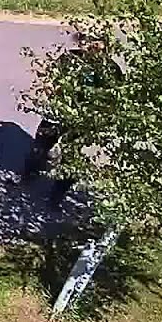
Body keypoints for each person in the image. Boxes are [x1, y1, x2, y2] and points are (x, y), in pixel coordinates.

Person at [22, 31, 124, 207]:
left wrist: (99, 117)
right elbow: (51, 80)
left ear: (105, 45)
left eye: (96, 42)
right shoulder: (69, 58)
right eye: (86, 41)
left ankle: (56, 197)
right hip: (60, 112)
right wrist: (50, 88)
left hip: (84, 120)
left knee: (71, 158)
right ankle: (27, 176)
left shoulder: (110, 70)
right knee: (40, 145)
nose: (90, 45)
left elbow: (114, 99)